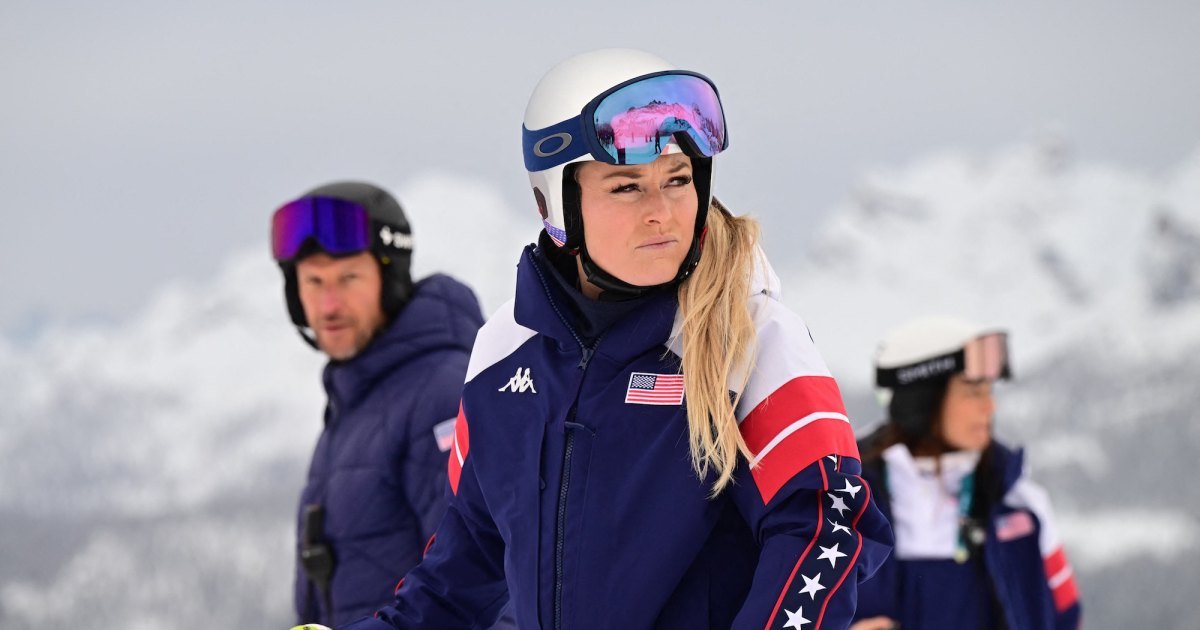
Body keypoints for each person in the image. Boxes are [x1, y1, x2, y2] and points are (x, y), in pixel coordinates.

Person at [332, 48, 893, 630]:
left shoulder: (751, 340)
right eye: (627, 187)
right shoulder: (506, 352)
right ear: (558, 203)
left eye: (678, 179)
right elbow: (463, 569)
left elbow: (825, 526)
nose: (662, 213)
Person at [270, 181, 485, 627]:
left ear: (390, 281)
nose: (329, 305)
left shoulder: (439, 395)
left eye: (348, 278)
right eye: (313, 282)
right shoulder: (357, 399)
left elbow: (477, 583)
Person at [852, 317, 1081, 630]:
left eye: (989, 390)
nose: (990, 407)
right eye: (973, 392)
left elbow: (1066, 616)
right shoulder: (846, 505)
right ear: (920, 401)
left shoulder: (1019, 504)